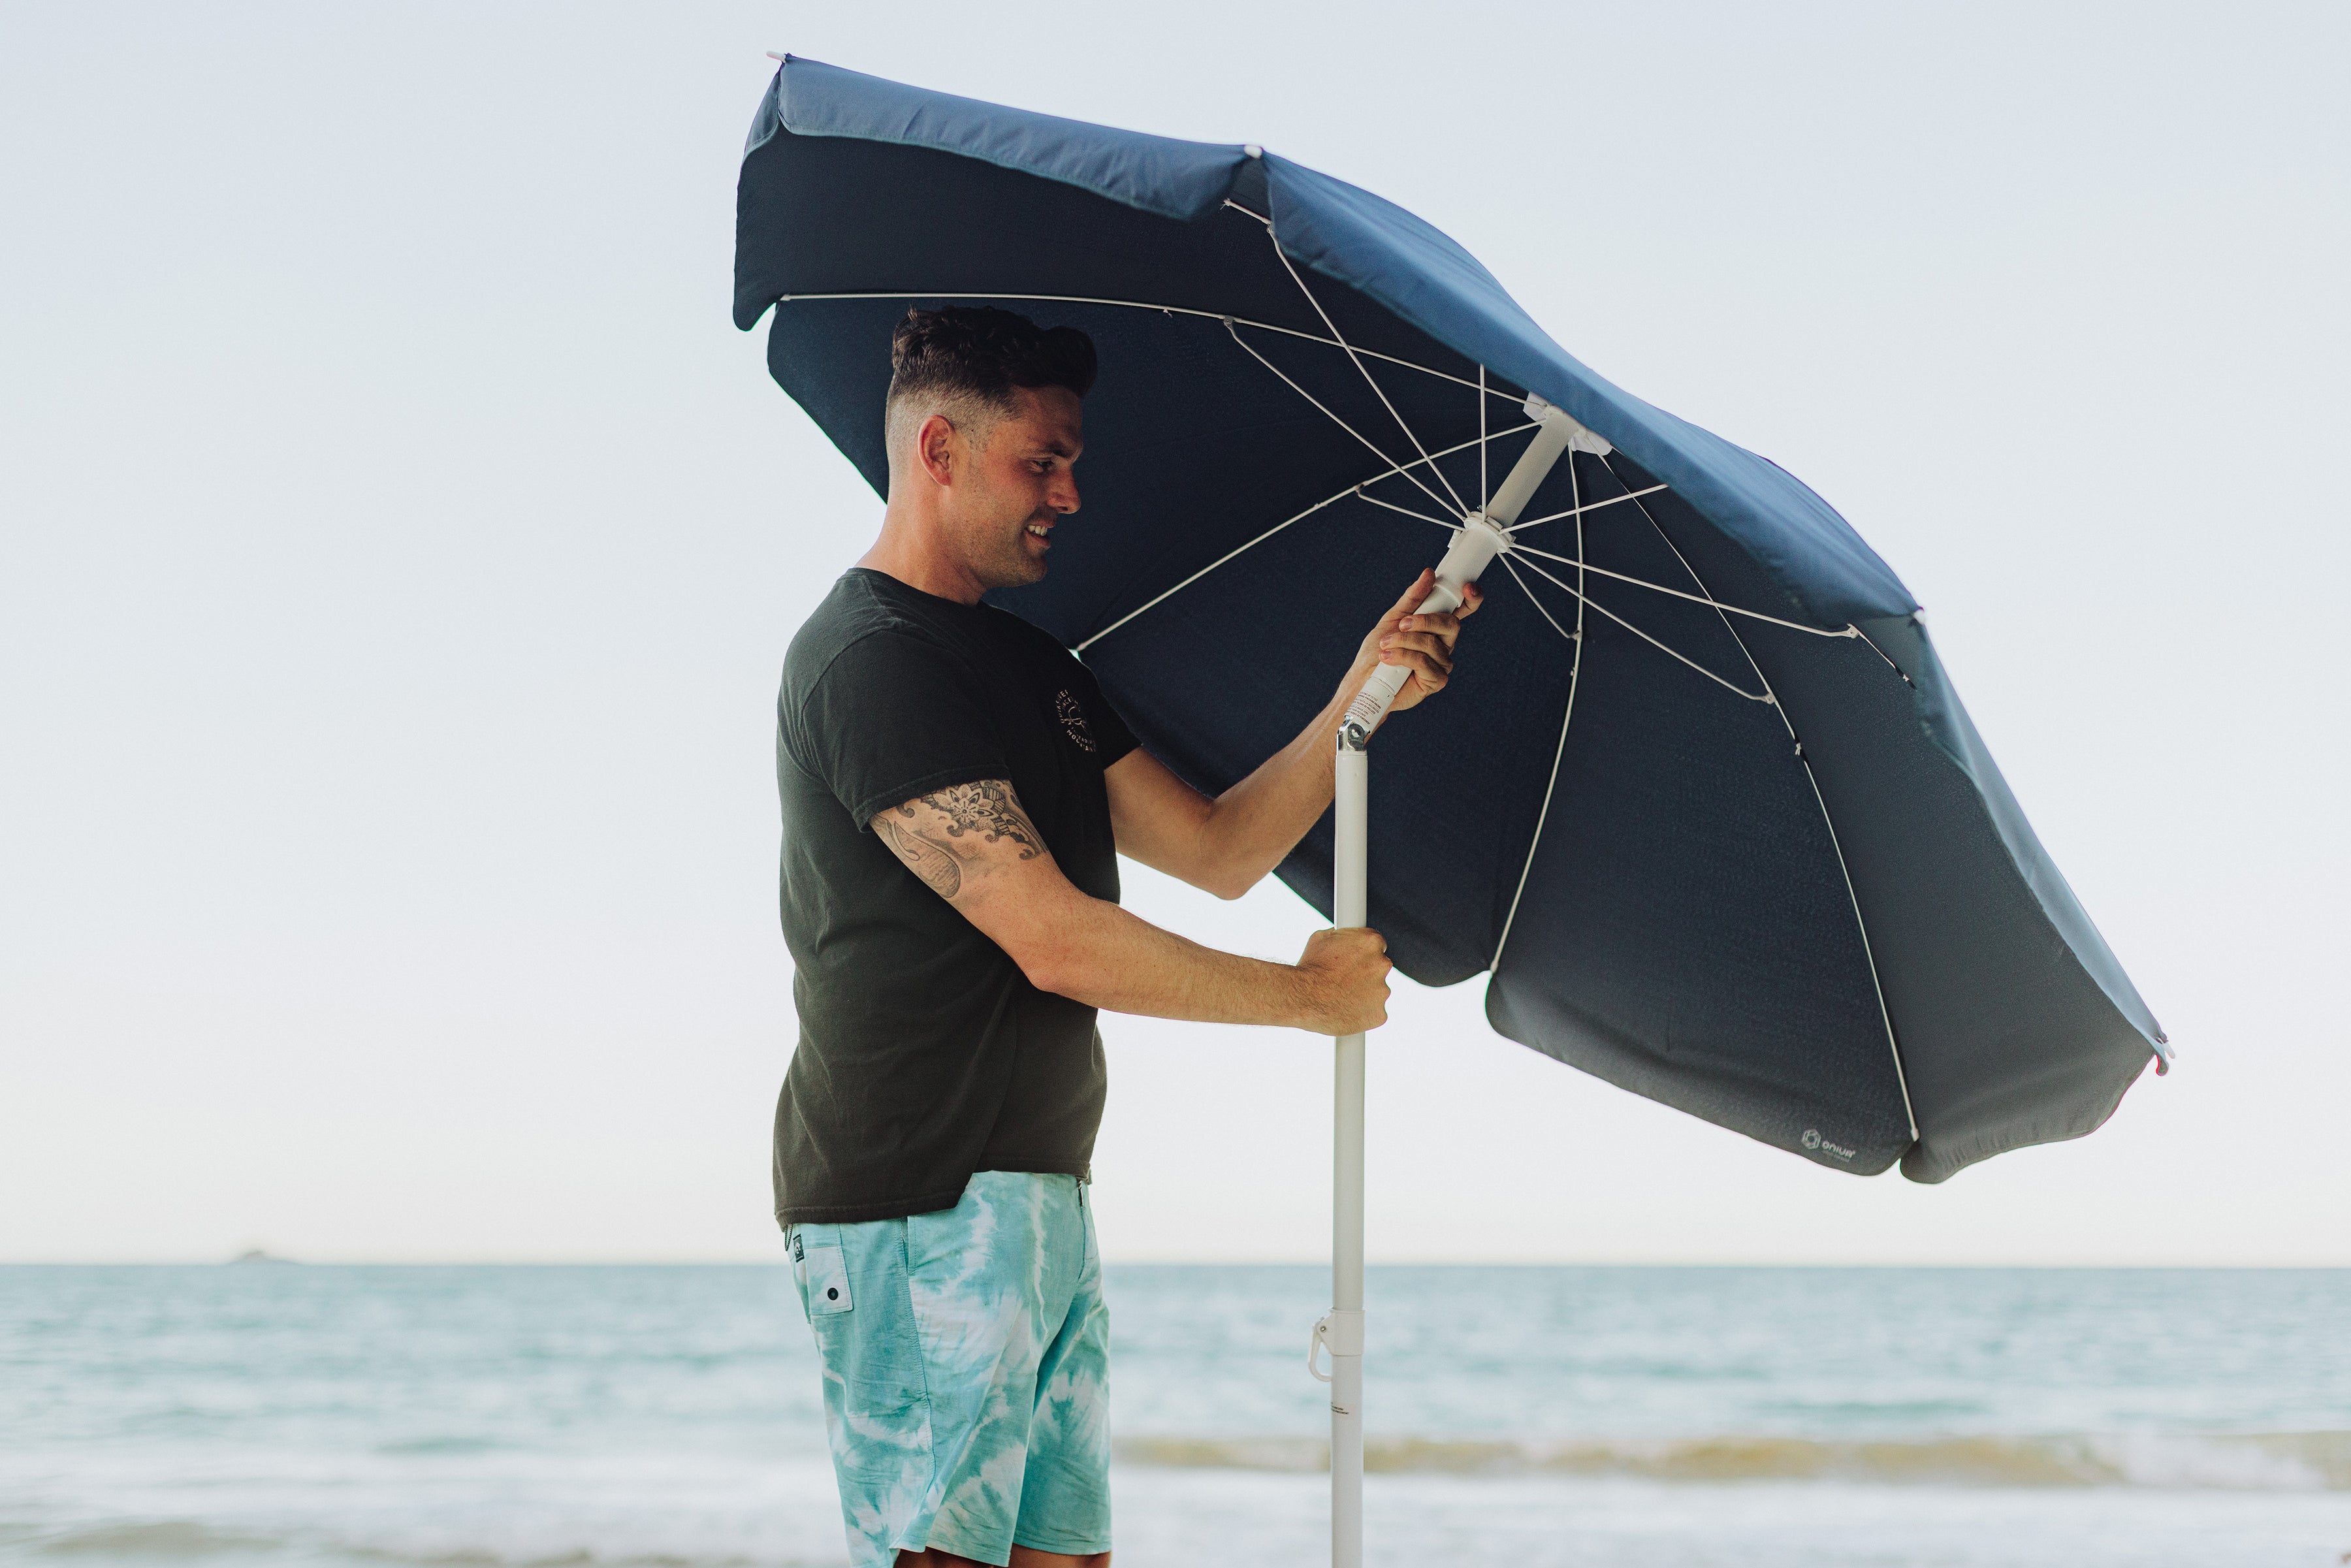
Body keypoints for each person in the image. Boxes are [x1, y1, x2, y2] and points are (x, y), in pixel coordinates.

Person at [774, 306, 1480, 1568]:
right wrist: (1301, 995)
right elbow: (1050, 933)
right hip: (917, 1201)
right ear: (939, 448)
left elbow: (1217, 848)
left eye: (1072, 460)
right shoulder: (869, 662)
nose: (1071, 493)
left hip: (1044, 1193)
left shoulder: (1036, 667)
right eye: (1040, 461)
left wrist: (1359, 696)